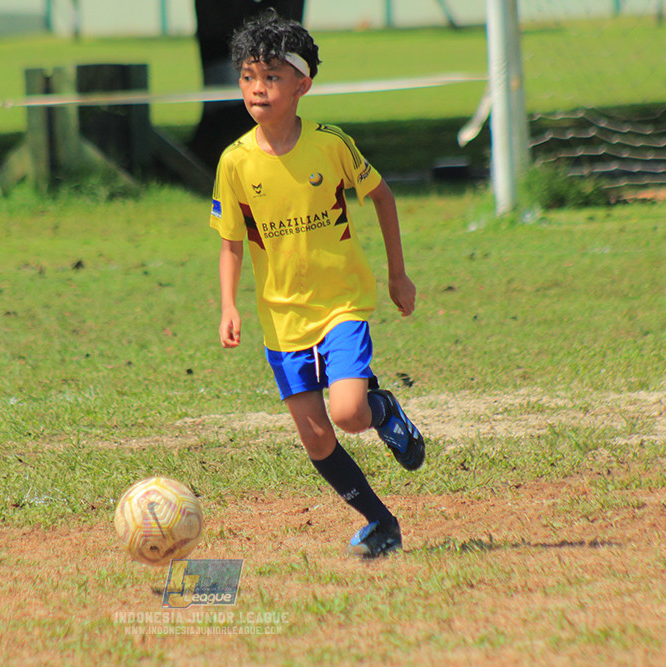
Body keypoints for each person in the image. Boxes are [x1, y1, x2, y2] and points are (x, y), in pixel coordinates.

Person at [208, 10, 425, 558]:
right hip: (281, 321)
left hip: (340, 305)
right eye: (248, 76)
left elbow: (382, 197)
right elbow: (231, 241)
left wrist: (397, 274)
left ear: (302, 84)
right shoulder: (234, 162)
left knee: (349, 414)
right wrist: (229, 305)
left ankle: (384, 411)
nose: (258, 89)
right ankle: (381, 523)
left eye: (272, 77)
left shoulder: (330, 144)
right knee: (316, 437)